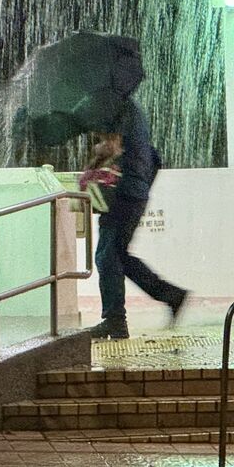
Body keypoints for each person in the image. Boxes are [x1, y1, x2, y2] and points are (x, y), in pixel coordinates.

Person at [84, 98, 188, 340]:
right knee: (119, 256)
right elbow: (153, 157)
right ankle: (171, 295)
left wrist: (93, 161)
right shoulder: (133, 112)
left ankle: (115, 321)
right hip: (135, 192)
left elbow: (110, 147)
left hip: (119, 193)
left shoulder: (116, 108)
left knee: (107, 256)